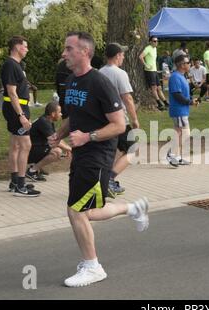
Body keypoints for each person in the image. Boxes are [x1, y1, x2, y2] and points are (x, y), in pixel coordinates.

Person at [49, 31, 149, 288]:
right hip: (82, 153)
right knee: (88, 211)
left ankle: (93, 267)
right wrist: (59, 133)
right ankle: (133, 208)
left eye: (68, 49)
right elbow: (74, 116)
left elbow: (118, 125)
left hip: (98, 155)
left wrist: (88, 137)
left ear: (85, 52)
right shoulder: (72, 81)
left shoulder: (100, 83)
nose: (64, 53)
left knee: (76, 210)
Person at [1, 35, 40, 197]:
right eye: (25, 46)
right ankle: (21, 186)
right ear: (17, 47)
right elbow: (11, 92)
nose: (27, 49)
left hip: (17, 108)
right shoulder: (11, 65)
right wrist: (21, 115)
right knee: (26, 145)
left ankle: (14, 181)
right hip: (16, 109)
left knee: (16, 145)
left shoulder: (15, 65)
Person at [99, 42, 140, 197]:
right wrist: (134, 119)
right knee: (132, 149)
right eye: (122, 54)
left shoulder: (99, 72)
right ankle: (109, 179)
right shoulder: (120, 73)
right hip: (119, 118)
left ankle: (103, 180)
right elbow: (127, 98)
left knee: (109, 151)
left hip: (102, 118)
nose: (123, 56)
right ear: (117, 56)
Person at [26, 101, 71, 181]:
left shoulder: (46, 120)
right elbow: (54, 140)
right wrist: (69, 149)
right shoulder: (44, 122)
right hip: (28, 152)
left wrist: (67, 147)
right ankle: (32, 171)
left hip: (34, 149)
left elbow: (57, 138)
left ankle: (37, 168)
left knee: (54, 148)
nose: (61, 114)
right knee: (57, 152)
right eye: (59, 112)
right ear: (53, 114)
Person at [166, 54, 198, 167]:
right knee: (184, 133)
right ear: (182, 64)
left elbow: (183, 93)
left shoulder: (182, 76)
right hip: (178, 110)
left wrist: (191, 100)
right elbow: (177, 95)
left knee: (179, 133)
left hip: (183, 110)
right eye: (188, 62)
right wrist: (189, 102)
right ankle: (171, 154)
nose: (190, 64)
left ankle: (177, 157)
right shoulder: (175, 77)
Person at [139, 36, 169, 111]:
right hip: (149, 71)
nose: (156, 42)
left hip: (154, 70)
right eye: (154, 41)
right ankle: (159, 103)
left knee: (159, 88)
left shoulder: (155, 49)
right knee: (154, 88)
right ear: (150, 42)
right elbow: (140, 57)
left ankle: (166, 103)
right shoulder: (148, 48)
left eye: (157, 41)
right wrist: (146, 65)